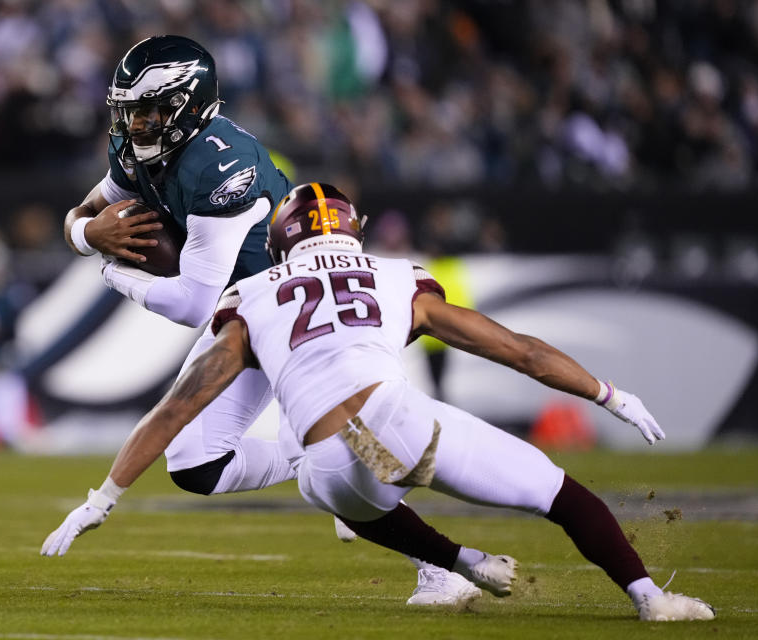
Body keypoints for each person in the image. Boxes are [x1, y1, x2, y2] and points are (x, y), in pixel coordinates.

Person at [43, 182, 716, 621]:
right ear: (351, 231)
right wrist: (607, 393)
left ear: (282, 239)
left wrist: (102, 496)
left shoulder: (251, 296)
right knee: (560, 496)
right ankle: (650, 597)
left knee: (328, 487)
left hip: (328, 461)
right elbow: (519, 351)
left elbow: (177, 408)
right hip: (400, 420)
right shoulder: (396, 277)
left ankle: (459, 565)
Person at [59, 35, 513, 605]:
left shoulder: (218, 164)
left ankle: (440, 567)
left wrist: (110, 272)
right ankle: (314, 452)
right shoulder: (134, 145)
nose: (134, 124)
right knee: (197, 464)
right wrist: (86, 234)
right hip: (245, 309)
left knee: (359, 463)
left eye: (149, 111)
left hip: (292, 305)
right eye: (127, 110)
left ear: (189, 104)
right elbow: (85, 213)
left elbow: (191, 305)